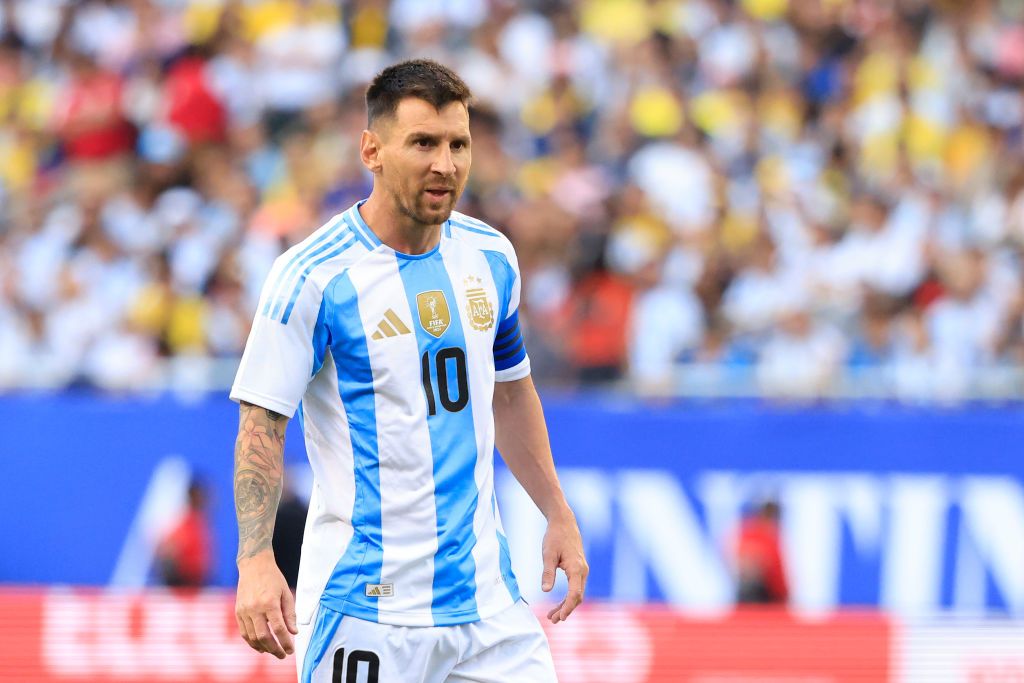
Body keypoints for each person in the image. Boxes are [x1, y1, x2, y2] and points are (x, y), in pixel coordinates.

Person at [229, 59, 587, 683]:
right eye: (423, 143)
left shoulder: (491, 258)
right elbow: (261, 423)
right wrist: (256, 559)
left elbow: (510, 393)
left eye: (458, 144)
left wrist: (557, 512)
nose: (445, 164)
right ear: (372, 149)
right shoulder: (313, 277)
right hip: (367, 608)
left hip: (487, 608)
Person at [155, 478, 213, 588]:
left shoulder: (200, 523)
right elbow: (167, 551)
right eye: (201, 496)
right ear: (194, 497)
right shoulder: (184, 524)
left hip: (200, 584)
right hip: (185, 586)